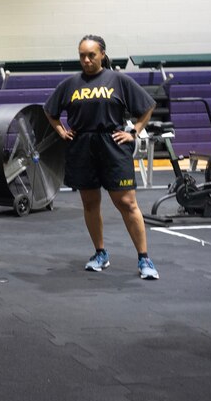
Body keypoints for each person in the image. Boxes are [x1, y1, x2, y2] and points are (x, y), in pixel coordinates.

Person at [43, 35, 159, 280]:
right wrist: (60, 130)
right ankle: (100, 253)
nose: (86, 60)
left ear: (103, 54)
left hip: (112, 144)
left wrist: (134, 132)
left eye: (91, 55)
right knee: (90, 203)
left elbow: (147, 106)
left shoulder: (118, 80)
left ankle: (144, 258)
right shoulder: (70, 84)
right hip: (82, 146)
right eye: (82, 55)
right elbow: (50, 110)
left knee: (127, 203)